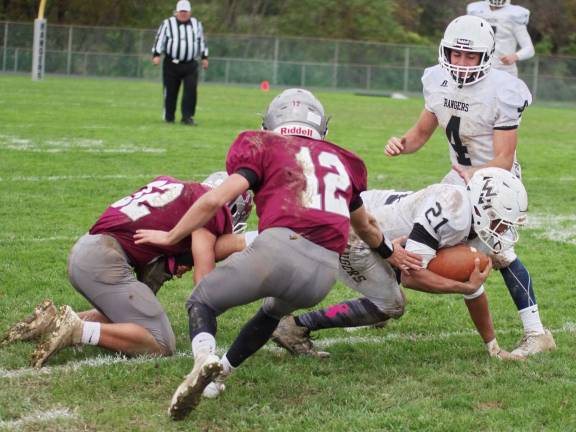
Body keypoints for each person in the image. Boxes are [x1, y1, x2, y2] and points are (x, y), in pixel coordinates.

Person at [134, 88, 423, 420]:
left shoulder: (261, 144)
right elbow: (367, 228)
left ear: (270, 123)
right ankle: (220, 376)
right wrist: (391, 255)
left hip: (278, 248)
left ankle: (203, 360)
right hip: (323, 272)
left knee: (202, 301)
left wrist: (172, 235)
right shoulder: (346, 161)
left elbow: (215, 200)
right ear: (321, 128)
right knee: (270, 315)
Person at [384, 15, 555, 357]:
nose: (460, 63)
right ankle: (382, 301)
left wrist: (474, 174)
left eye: (470, 56)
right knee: (410, 235)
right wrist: (402, 143)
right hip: (458, 181)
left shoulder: (503, 89)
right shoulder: (436, 80)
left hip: (495, 181)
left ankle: (537, 333)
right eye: (455, 54)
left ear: (486, 55)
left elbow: (504, 157)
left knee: (500, 254)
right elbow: (420, 134)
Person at [272, 168, 527, 361]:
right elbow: (412, 277)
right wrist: (460, 287)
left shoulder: (472, 222)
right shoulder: (454, 213)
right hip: (357, 232)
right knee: (392, 304)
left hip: (383, 227)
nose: (503, 230)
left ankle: (288, 292)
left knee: (400, 269)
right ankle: (295, 326)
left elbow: (474, 288)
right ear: (484, 209)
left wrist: (493, 347)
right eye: (502, 222)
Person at [0, 175, 253, 368]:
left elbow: (145, 239)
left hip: (91, 248)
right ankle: (76, 329)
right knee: (160, 342)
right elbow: (204, 283)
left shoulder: (174, 185)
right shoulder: (211, 209)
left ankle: (50, 322)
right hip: (102, 260)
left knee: (131, 316)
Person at [152, 0, 209, 125]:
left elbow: (202, 41)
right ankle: (169, 116)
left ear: (190, 12)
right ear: (176, 12)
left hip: (190, 64)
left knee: (191, 91)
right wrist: (156, 54)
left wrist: (204, 57)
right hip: (171, 63)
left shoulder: (196, 24)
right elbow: (159, 39)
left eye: (185, 12)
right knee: (171, 91)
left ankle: (187, 117)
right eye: (181, 12)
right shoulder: (167, 23)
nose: (183, 14)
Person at [467, 0, 534, 77]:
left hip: (504, 71)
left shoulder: (515, 15)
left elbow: (529, 49)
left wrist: (515, 56)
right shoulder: (476, 11)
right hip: (479, 69)